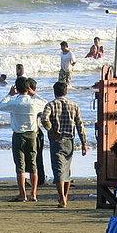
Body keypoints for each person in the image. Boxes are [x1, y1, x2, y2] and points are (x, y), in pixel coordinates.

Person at [0, 77, 48, 202]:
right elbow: (46, 104)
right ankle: (34, 194)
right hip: (32, 134)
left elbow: (1, 106)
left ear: (17, 89)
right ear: (28, 88)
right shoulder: (33, 102)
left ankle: (22, 194)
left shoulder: (14, 102)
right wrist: (34, 94)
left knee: (20, 166)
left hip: (18, 134)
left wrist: (9, 94)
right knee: (33, 164)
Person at [42, 80, 88, 208]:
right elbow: (80, 125)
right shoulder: (74, 105)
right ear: (66, 91)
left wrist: (50, 129)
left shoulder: (50, 105)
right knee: (66, 170)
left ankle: (62, 197)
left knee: (58, 169)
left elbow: (44, 118)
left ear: (54, 91)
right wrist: (84, 143)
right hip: (70, 140)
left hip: (56, 140)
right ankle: (64, 196)